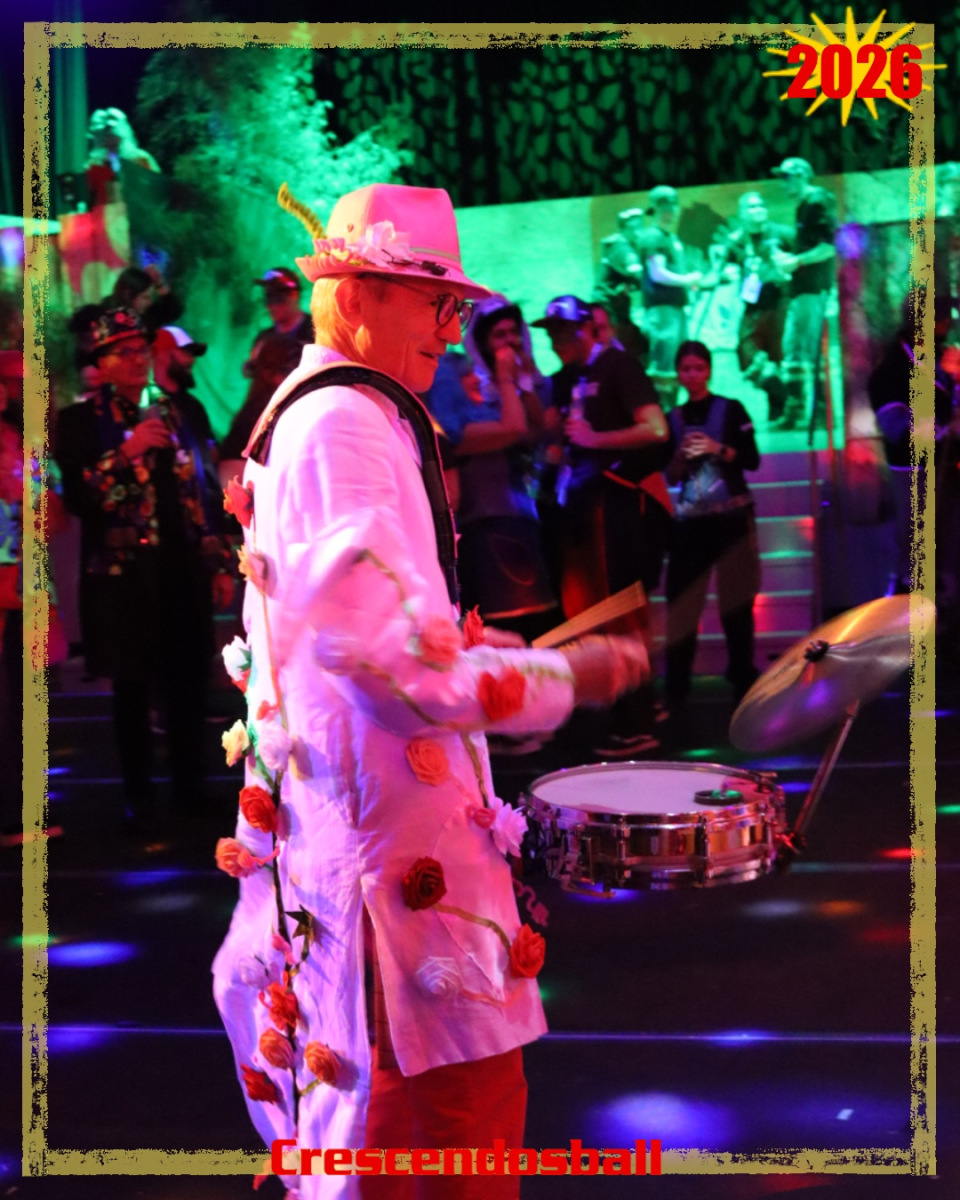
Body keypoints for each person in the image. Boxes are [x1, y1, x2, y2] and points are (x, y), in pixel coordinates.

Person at [211, 183, 647, 1199]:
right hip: (392, 888)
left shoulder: (324, 414)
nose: (453, 331)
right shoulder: (345, 423)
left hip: (363, 860)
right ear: (358, 291)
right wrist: (566, 674)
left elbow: (362, 638)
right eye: (437, 303)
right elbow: (393, 671)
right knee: (441, 1136)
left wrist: (469, 646)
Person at [55, 309, 234, 834]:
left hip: (182, 565)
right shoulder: (81, 421)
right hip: (122, 575)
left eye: (142, 351)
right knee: (132, 687)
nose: (138, 360)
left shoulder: (183, 410)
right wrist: (128, 450)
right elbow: (84, 498)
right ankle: (139, 796)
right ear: (103, 362)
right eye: (125, 352)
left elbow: (204, 490)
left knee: (188, 680)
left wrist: (218, 561)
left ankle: (190, 788)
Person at [532, 294, 671, 758]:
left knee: (620, 611)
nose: (556, 341)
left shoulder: (617, 366)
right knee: (590, 610)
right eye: (551, 332)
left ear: (589, 328)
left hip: (616, 506)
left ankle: (638, 720)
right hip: (581, 508)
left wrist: (595, 438)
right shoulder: (566, 379)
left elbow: (655, 428)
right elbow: (549, 434)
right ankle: (628, 709)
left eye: (564, 331)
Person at [423, 294, 560, 644]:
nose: (509, 342)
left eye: (514, 333)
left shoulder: (497, 398)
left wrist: (521, 382)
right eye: (499, 335)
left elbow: (533, 432)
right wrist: (505, 378)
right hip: (485, 526)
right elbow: (514, 428)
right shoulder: (458, 416)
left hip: (519, 519)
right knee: (508, 633)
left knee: (535, 628)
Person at [664, 341, 761, 717]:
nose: (692, 375)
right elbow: (671, 476)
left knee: (736, 605)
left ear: (709, 370)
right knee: (682, 606)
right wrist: (678, 455)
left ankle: (743, 682)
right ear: (678, 373)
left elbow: (752, 460)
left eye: (698, 368)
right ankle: (676, 690)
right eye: (685, 369)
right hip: (690, 521)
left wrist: (717, 447)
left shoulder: (731, 408)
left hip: (731, 516)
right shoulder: (672, 418)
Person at [712, 192, 792, 424]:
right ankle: (785, 396)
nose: (757, 210)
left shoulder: (783, 234)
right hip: (752, 306)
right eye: (751, 207)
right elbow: (721, 271)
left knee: (779, 356)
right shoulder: (735, 241)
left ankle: (779, 412)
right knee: (746, 352)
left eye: (760, 205)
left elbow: (801, 262)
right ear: (741, 213)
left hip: (779, 303)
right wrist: (724, 274)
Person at [770, 158, 837, 431]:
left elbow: (830, 245)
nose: (783, 183)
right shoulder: (804, 207)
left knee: (805, 350)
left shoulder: (817, 201)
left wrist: (795, 262)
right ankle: (805, 411)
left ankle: (815, 412)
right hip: (805, 289)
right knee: (799, 349)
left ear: (801, 175)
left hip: (812, 290)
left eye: (787, 177)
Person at [636, 185, 702, 408]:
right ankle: (663, 415)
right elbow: (658, 273)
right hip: (662, 312)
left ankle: (671, 414)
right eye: (664, 207)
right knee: (664, 366)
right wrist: (688, 280)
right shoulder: (653, 237)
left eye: (672, 206)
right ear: (654, 209)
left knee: (675, 363)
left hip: (674, 310)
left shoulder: (670, 238)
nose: (670, 211)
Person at [242, 266, 314, 380]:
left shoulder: (316, 332)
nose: (271, 305)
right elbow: (248, 372)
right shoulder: (264, 338)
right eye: (267, 298)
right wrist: (252, 364)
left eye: (277, 297)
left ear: (294, 295)